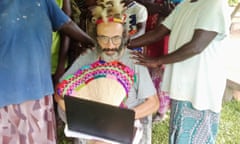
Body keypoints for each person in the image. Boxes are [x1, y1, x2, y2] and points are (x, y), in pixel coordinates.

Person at [55, 0, 159, 144]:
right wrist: (82, 114)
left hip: (123, 130)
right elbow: (60, 93)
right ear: (95, 36)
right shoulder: (88, 56)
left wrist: (118, 117)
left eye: (116, 38)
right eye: (103, 38)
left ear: (124, 36)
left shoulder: (133, 60)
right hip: (90, 130)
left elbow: (153, 103)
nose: (110, 45)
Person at [129, 0, 230, 143]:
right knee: (178, 137)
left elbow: (197, 46)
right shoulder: (185, 5)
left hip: (200, 90)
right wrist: (121, 44)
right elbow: (159, 32)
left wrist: (158, 60)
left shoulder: (214, 4)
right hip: (182, 88)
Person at [0, 0, 94, 143]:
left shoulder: (43, 2)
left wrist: (93, 43)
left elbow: (66, 24)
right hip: (6, 94)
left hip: (39, 90)